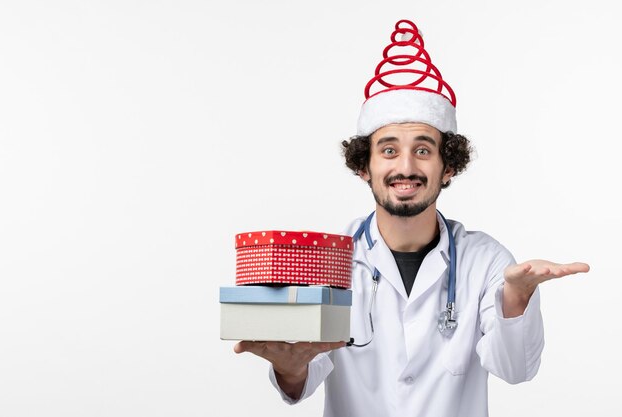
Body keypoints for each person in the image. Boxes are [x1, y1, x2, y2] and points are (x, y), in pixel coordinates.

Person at [233, 19, 589, 417]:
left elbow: (517, 370)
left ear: (448, 166)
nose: (405, 166)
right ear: (363, 167)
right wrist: (291, 368)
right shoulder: (330, 259)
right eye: (388, 150)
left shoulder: (486, 261)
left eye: (423, 150)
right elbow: (304, 372)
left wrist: (518, 297)